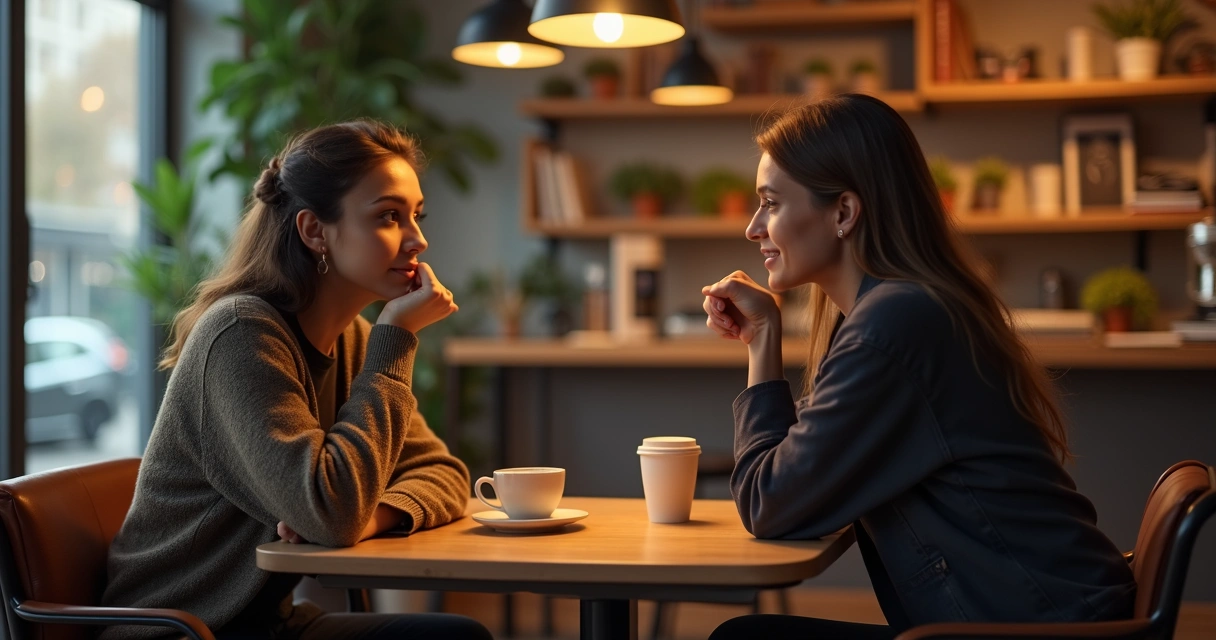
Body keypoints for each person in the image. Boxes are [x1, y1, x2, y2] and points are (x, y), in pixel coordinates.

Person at [701, 95, 1135, 639]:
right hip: (1042, 614)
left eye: (771, 203)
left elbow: (770, 503)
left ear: (843, 213)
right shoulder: (896, 312)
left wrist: (763, 342)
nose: (753, 228)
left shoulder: (894, 325)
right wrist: (763, 337)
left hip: (1039, 627)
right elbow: (800, 468)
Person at [100, 120, 492, 640]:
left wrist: (373, 518)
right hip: (183, 631)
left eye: (416, 215)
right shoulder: (241, 334)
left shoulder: (352, 338)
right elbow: (330, 515)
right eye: (389, 216)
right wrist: (395, 334)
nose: (418, 239)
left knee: (455, 636)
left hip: (268, 625)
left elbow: (443, 474)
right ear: (313, 230)